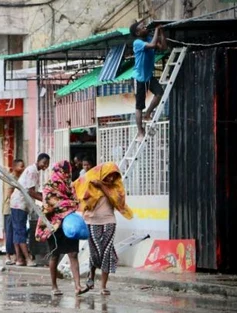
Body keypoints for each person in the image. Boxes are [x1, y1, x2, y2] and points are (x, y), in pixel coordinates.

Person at [73, 162, 134, 295]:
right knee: (95, 252)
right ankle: (91, 276)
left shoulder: (115, 188)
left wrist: (102, 186)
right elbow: (77, 191)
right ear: (103, 173)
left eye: (114, 176)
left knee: (106, 251)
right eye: (109, 175)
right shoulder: (90, 182)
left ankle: (103, 286)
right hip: (91, 221)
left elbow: (117, 201)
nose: (111, 179)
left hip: (109, 221)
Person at [35, 160, 90, 296]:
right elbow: (50, 203)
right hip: (53, 226)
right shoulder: (49, 185)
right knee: (55, 255)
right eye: (65, 172)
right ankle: (54, 286)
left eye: (68, 172)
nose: (67, 175)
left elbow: (75, 201)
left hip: (69, 225)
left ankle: (78, 286)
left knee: (73, 254)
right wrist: (68, 204)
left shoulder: (68, 186)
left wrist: (70, 204)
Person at [10, 153, 50, 266]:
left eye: (47, 164)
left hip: (20, 204)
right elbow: (31, 192)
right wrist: (45, 200)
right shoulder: (32, 171)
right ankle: (27, 259)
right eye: (44, 163)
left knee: (18, 231)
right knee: (20, 232)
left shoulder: (33, 170)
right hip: (19, 204)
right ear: (38, 161)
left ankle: (19, 258)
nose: (45, 166)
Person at [130, 22, 167, 141]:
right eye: (143, 27)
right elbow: (151, 45)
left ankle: (148, 114)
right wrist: (156, 30)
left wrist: (161, 32)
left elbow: (164, 48)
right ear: (137, 32)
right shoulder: (137, 43)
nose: (146, 28)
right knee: (139, 106)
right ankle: (140, 132)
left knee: (159, 93)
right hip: (139, 78)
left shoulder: (150, 38)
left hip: (148, 76)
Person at [3, 159, 25, 265]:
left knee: (15, 232)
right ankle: (8, 255)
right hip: (10, 209)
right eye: (21, 166)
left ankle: (16, 256)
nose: (23, 168)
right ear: (15, 167)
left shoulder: (20, 178)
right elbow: (9, 194)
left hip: (17, 208)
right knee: (10, 233)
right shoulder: (11, 178)